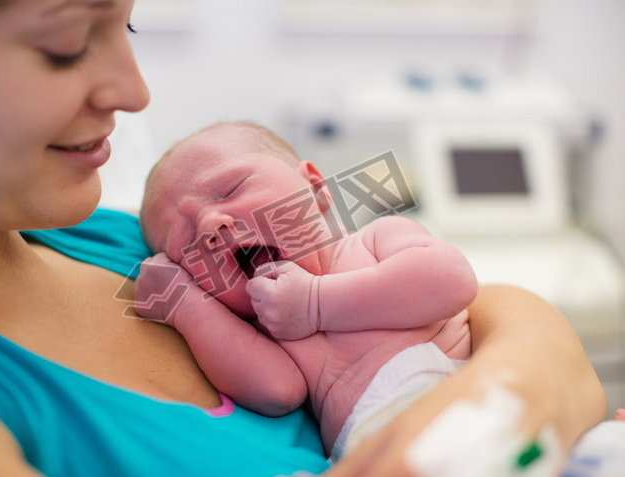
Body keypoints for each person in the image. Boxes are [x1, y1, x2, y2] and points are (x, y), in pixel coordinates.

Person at [0, 0, 606, 476]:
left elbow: (471, 293)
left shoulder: (103, 237)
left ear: (314, 183)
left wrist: (521, 379)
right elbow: (275, 386)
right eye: (64, 46)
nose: (134, 89)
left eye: (131, 26)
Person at [136, 121, 479, 459]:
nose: (209, 225)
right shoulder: (267, 329)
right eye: (185, 243)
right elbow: (277, 392)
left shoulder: (374, 240)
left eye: (231, 190)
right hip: (373, 450)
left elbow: (451, 279)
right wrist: (186, 306)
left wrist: (316, 303)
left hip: (470, 408)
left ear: (315, 186)